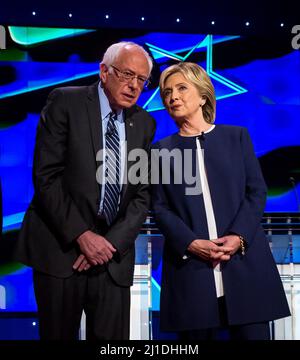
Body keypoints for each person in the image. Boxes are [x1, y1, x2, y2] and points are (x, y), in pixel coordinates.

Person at [14, 42, 156, 340]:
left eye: (142, 80)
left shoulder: (144, 123)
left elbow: (142, 196)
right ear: (104, 71)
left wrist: (108, 245)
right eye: (127, 74)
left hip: (112, 260)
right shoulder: (66, 102)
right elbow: (46, 177)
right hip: (61, 251)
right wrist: (83, 235)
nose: (134, 86)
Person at [151, 62, 290, 340]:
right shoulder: (159, 150)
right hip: (191, 271)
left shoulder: (236, 137)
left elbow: (256, 192)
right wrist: (190, 242)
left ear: (203, 96)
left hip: (245, 266)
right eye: (167, 92)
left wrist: (238, 236)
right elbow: (158, 206)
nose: (172, 97)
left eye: (181, 88)